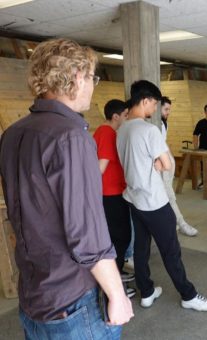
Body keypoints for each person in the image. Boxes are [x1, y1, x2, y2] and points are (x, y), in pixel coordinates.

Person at [0, 38, 133, 339]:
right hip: (72, 300)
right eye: (92, 77)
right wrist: (117, 295)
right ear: (76, 76)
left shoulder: (13, 133)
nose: (93, 85)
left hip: (34, 293)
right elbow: (87, 235)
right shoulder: (71, 137)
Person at [117, 80, 207, 311]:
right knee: (171, 250)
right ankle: (188, 295)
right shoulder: (150, 130)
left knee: (141, 248)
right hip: (154, 201)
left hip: (133, 199)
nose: (155, 110)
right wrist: (157, 165)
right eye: (154, 104)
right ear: (145, 101)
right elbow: (168, 163)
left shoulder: (122, 129)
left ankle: (147, 292)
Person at [93, 99, 136, 298]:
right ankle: (114, 284)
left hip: (112, 193)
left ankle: (115, 274)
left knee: (118, 236)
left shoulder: (105, 132)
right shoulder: (107, 133)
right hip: (110, 195)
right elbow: (100, 167)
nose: (127, 118)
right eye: (126, 115)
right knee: (121, 237)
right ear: (116, 116)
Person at [160, 96, 198, 236]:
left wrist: (170, 162)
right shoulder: (156, 123)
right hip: (161, 166)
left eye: (169, 109)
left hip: (167, 163)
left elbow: (163, 144)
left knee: (168, 196)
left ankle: (174, 222)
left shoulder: (163, 123)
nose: (168, 112)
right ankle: (181, 223)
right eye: (166, 109)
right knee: (169, 197)